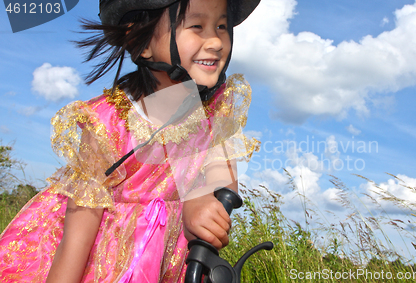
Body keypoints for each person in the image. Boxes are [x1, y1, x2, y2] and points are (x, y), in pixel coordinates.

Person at [0, 0, 260, 281]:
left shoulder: (215, 117)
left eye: (221, 26)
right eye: (197, 26)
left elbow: (224, 187)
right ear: (142, 43)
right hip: (102, 268)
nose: (215, 41)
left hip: (171, 268)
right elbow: (77, 236)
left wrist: (200, 199)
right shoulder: (106, 122)